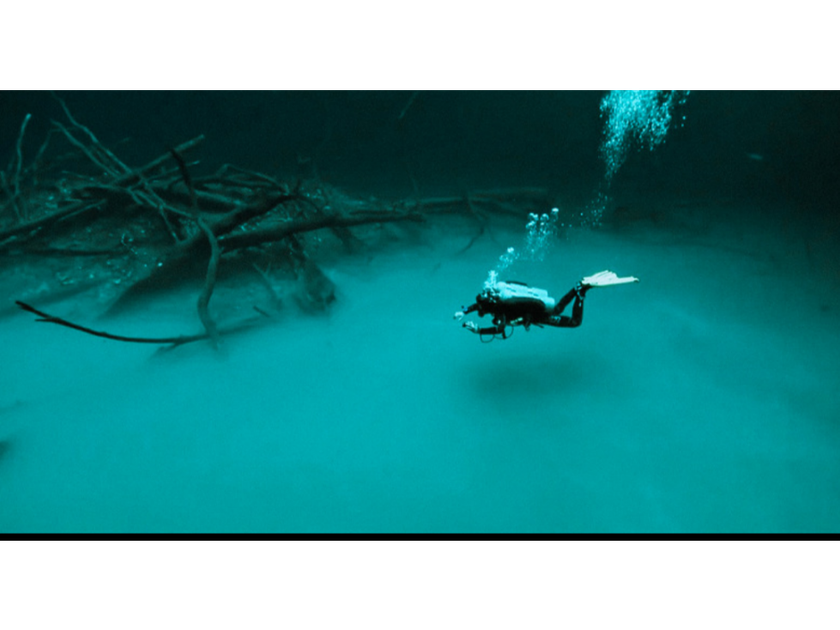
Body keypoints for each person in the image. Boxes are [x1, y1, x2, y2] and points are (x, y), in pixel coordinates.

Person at [454, 270, 638, 340]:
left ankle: (581, 291)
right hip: (535, 306)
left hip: (537, 312)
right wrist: (464, 311)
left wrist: (478, 330)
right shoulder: (494, 298)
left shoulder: (500, 310)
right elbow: (479, 305)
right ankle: (578, 287)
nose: (482, 311)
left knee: (574, 322)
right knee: (558, 308)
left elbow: (499, 330)